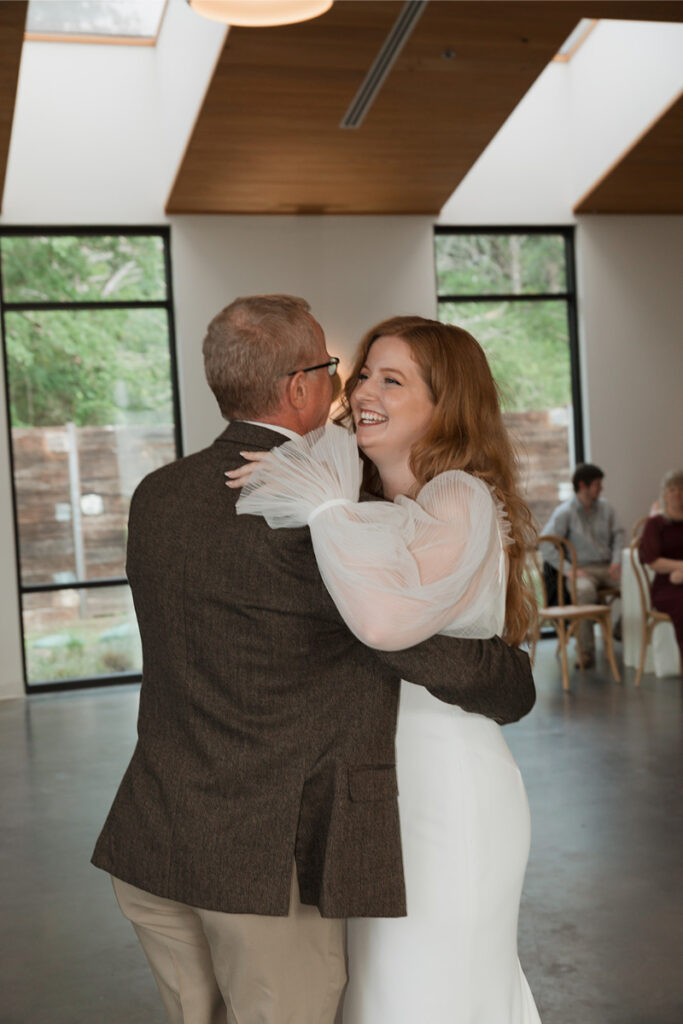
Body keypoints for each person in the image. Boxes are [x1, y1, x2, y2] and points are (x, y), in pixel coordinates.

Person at [91, 296, 536, 1024]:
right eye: (347, 372)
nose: (354, 391)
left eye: (383, 379)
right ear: (301, 388)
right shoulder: (311, 520)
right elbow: (451, 661)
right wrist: (513, 678)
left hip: (158, 836)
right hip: (265, 860)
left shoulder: (159, 494)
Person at [231, 315, 541, 1023]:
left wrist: (321, 504)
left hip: (447, 788)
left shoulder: (458, 495)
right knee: (381, 992)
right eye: (364, 372)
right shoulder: (378, 507)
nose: (364, 390)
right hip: (371, 790)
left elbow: (381, 622)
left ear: (446, 405)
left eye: (392, 379)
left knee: (429, 989)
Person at [540, 463, 623, 668]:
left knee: (636, 585)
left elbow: (619, 536)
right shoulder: (565, 512)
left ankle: (620, 630)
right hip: (583, 571)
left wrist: (616, 561)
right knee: (584, 593)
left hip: (607, 567)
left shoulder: (606, 508)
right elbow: (545, 544)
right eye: (597, 485)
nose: (601, 488)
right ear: (583, 486)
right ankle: (586, 652)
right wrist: (569, 570)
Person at [639, 469, 683, 661]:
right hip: (666, 587)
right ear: (665, 494)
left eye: (681, 489)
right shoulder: (655, 524)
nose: (677, 494)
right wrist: (680, 567)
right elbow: (653, 561)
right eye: (672, 489)